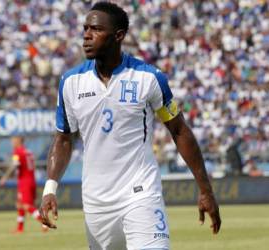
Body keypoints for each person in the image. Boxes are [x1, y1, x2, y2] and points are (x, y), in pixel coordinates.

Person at [40, 2, 221, 249]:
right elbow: (63, 139)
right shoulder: (71, 82)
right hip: (96, 203)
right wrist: (50, 189)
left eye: (95, 29)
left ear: (118, 35)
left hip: (141, 193)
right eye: (85, 28)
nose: (86, 35)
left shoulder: (148, 78)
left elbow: (179, 131)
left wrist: (205, 189)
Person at [0, 136, 47, 233]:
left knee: (26, 205)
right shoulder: (28, 152)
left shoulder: (17, 152)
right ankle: (20, 229)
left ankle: (45, 222)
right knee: (20, 205)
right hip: (31, 180)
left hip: (24, 181)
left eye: (13, 141)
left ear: (18, 141)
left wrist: (5, 177)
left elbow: (14, 165)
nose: (12, 143)